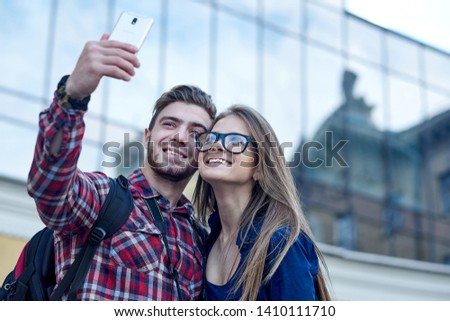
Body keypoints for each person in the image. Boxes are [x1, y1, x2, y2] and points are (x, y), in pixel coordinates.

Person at [27, 33, 217, 300]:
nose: (181, 137)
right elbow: (49, 187)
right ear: (148, 136)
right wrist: (73, 97)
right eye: (170, 124)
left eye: (197, 132)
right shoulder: (103, 197)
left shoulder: (200, 239)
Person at [192, 104, 332, 300]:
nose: (215, 145)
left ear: (258, 168)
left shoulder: (281, 244)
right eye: (210, 138)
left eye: (234, 141)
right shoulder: (202, 244)